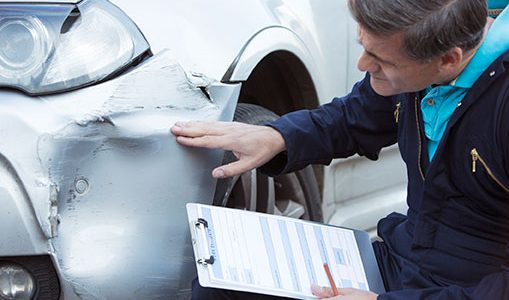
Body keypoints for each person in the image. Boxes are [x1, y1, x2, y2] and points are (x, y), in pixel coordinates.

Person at [171, 0, 509, 299]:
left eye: (379, 59)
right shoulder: (423, 59)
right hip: (402, 262)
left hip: (470, 288)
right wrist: (276, 137)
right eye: (363, 46)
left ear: (448, 60)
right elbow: (356, 116)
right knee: (226, 279)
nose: (362, 64)